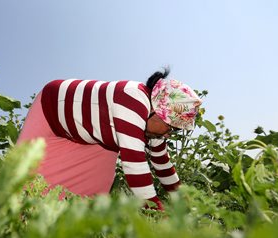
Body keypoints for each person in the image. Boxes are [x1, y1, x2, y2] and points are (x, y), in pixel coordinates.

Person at [17, 68, 202, 211]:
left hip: (92, 137)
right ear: (158, 113)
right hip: (51, 111)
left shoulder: (152, 124)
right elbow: (135, 167)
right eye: (170, 127)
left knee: (92, 198)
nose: (169, 134)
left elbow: (163, 165)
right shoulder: (132, 99)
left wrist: (186, 206)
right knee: (20, 178)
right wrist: (157, 212)